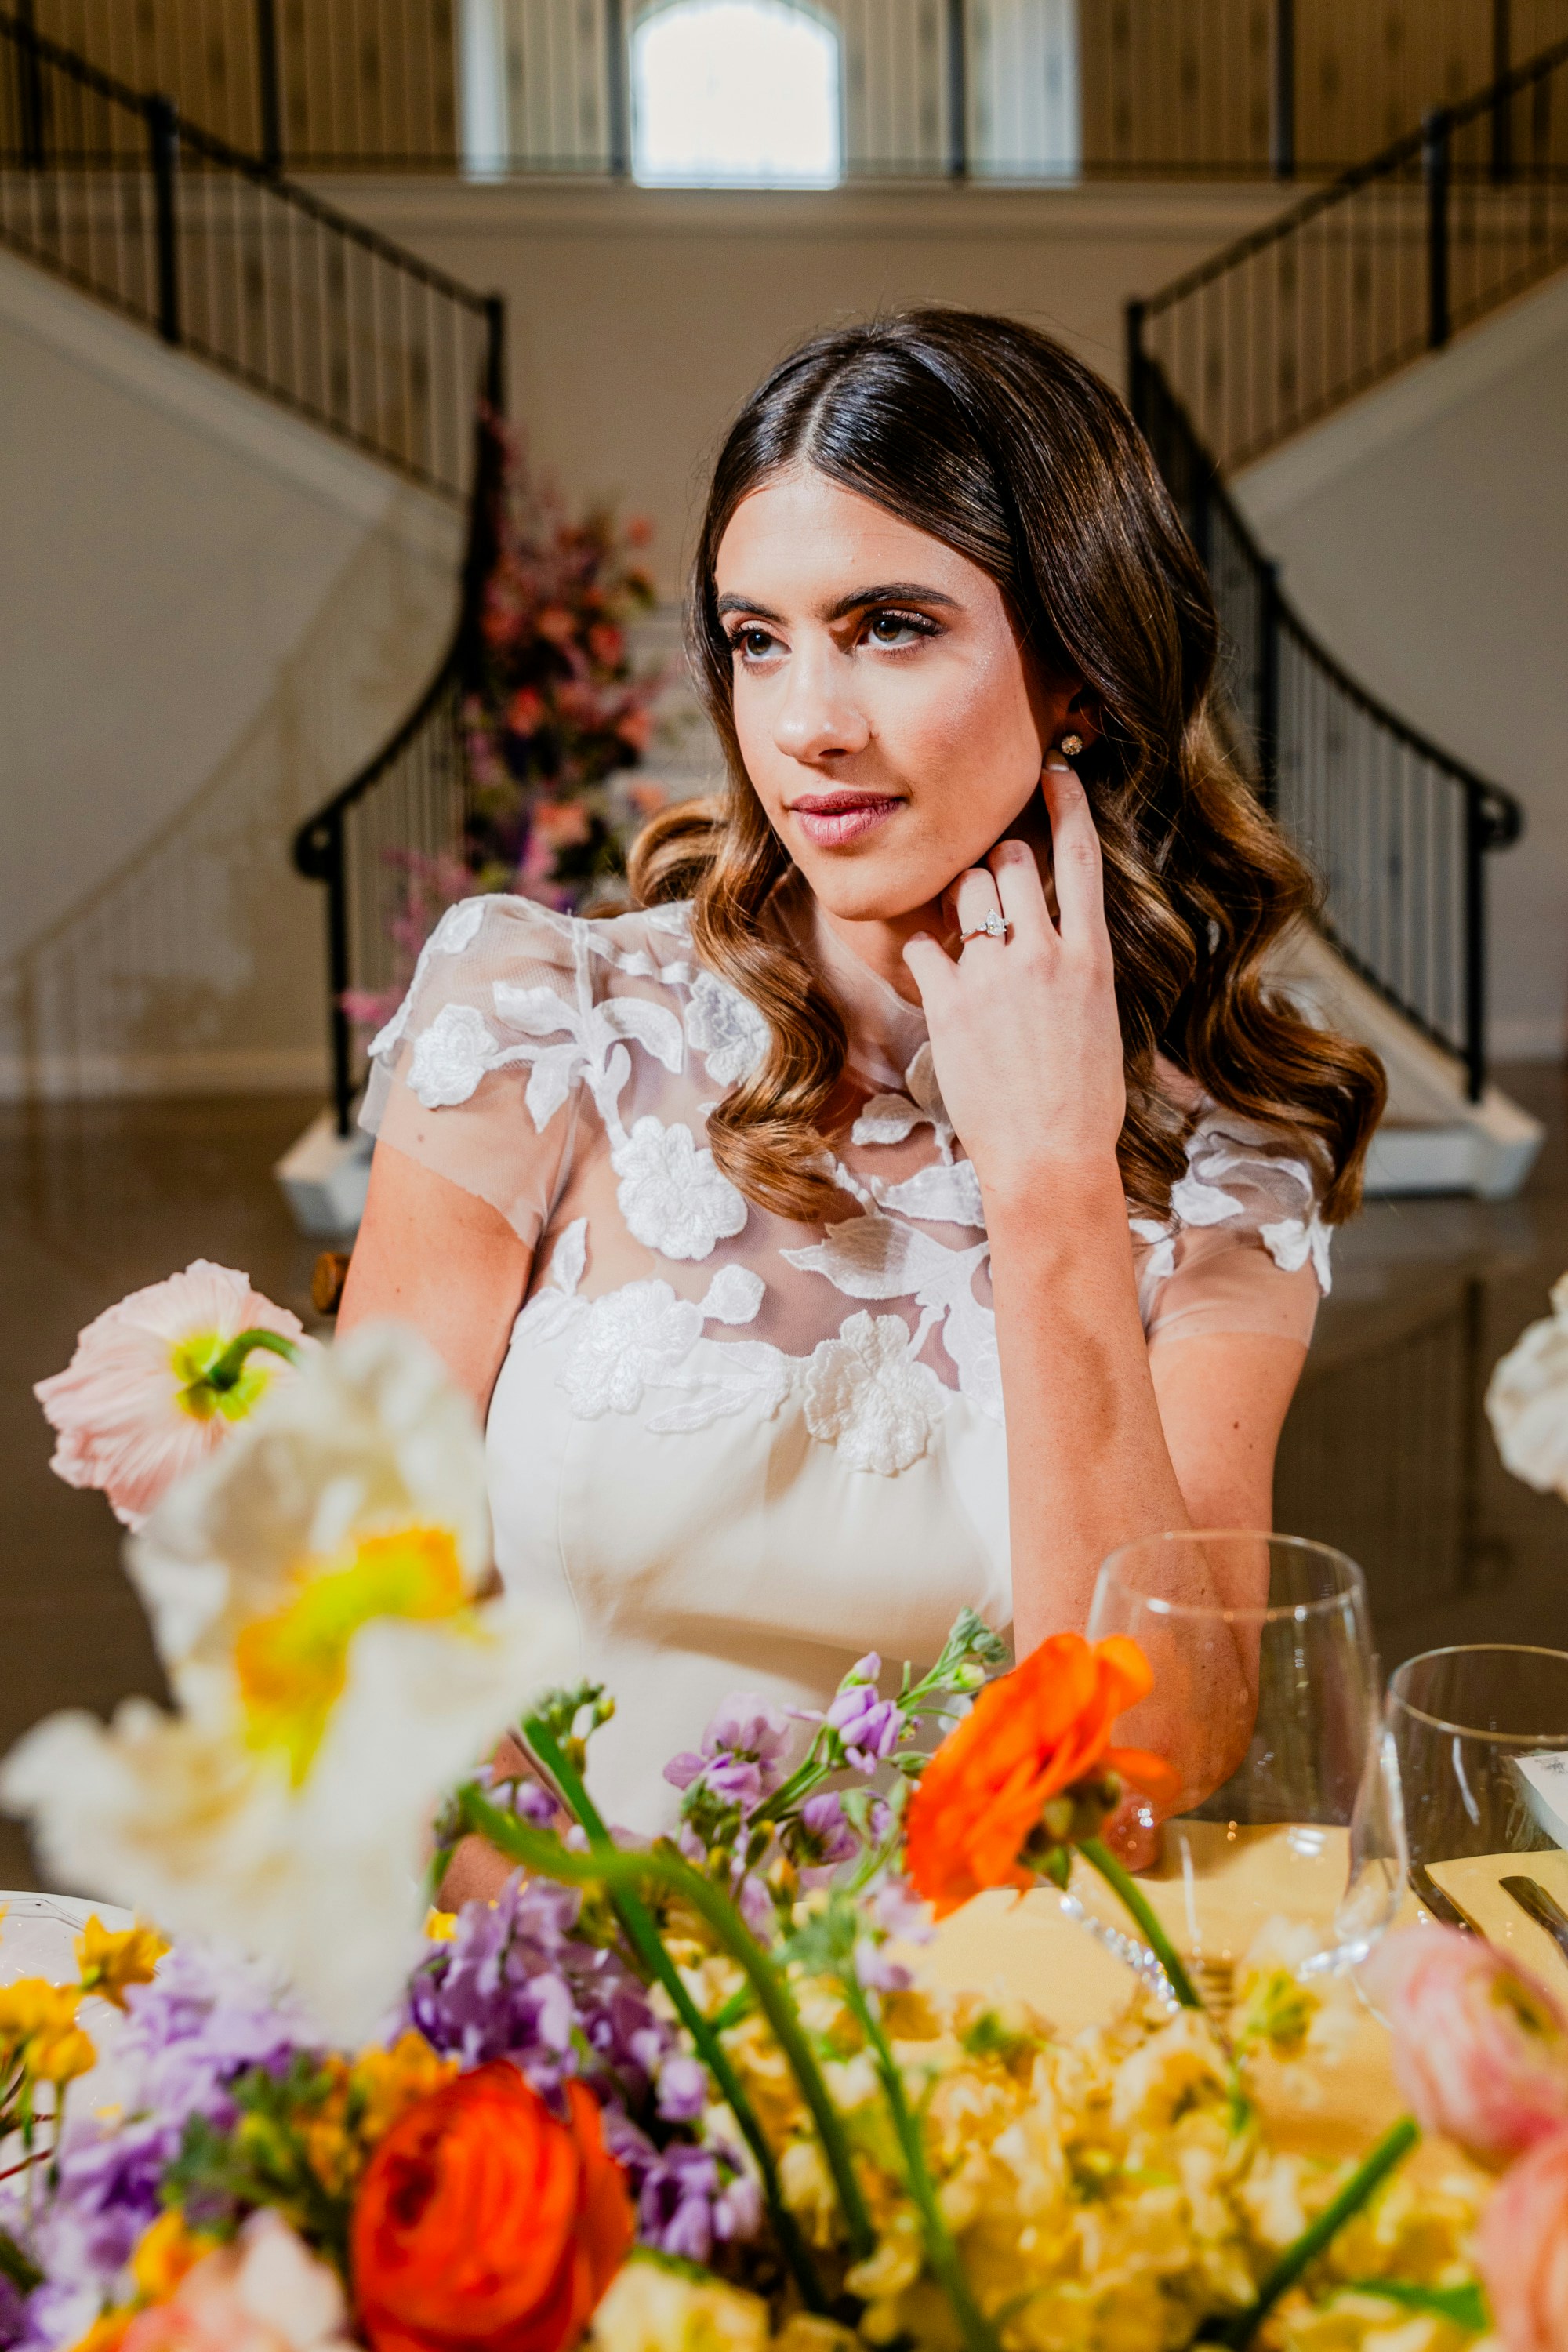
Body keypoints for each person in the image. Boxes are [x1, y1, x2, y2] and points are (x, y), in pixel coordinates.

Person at [337, 308, 1383, 1865]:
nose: (808, 725)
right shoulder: (542, 1020)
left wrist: (1051, 1187)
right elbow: (349, 1595)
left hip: (972, 2039)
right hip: (545, 1979)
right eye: (758, 638)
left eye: (890, 625)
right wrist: (581, 1973)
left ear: (1076, 675)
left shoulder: (1230, 1146)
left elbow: (1156, 1747)